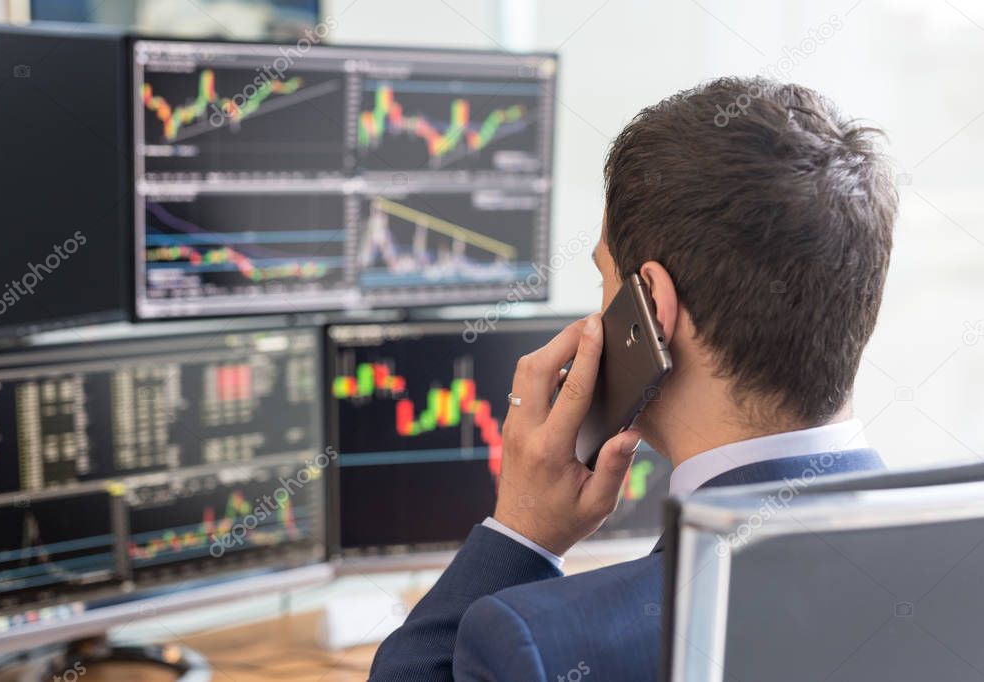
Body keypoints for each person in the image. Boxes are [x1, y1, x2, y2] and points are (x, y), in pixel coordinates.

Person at [368, 76, 898, 681]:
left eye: (605, 279)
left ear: (654, 310)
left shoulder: (539, 646)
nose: (597, 312)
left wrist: (519, 534)